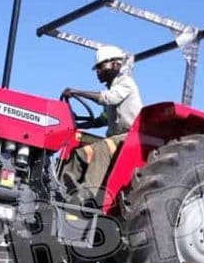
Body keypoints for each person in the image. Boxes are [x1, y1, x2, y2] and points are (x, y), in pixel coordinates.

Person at [60, 45, 143, 202]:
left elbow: (108, 98)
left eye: (101, 66)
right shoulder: (112, 87)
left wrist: (76, 91)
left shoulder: (126, 83)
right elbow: (103, 120)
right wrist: (76, 125)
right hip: (115, 138)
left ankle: (87, 197)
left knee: (101, 149)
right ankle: (62, 189)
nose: (98, 71)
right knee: (79, 153)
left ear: (115, 64)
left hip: (129, 137)